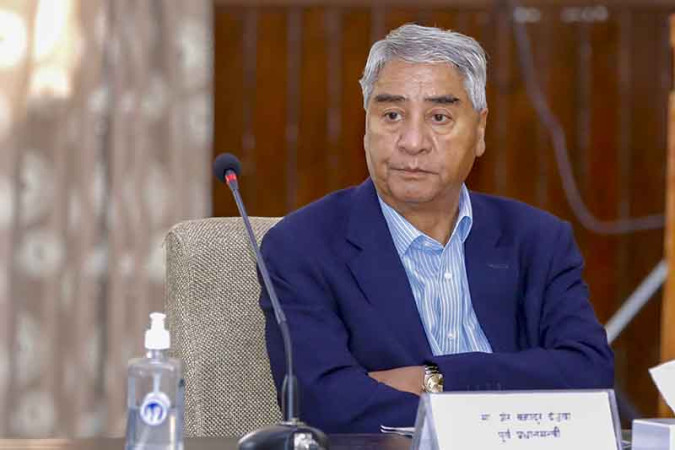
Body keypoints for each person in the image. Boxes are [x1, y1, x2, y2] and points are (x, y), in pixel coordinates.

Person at [258, 23, 614, 433]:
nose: (412, 141)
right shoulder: (301, 247)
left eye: (439, 117)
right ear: (366, 126)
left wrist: (433, 379)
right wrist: (512, 403)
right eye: (392, 115)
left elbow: (589, 375)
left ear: (479, 130)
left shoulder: (538, 240)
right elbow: (324, 402)